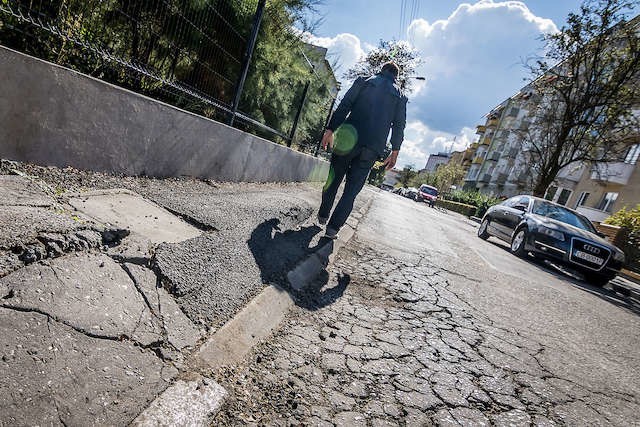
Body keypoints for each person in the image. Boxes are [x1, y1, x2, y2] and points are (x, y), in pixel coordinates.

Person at [318, 62, 407, 238]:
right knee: (352, 191)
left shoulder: (364, 81)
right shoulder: (400, 97)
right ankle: (332, 229)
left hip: (347, 140)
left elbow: (345, 105)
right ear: (395, 77)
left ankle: (323, 214)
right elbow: (399, 126)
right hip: (372, 148)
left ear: (381, 70)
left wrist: (330, 130)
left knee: (333, 179)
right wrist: (395, 151)